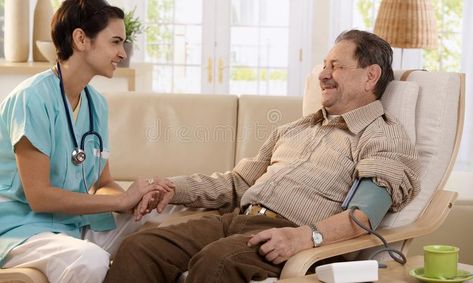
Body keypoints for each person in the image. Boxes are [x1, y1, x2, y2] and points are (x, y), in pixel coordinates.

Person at [105, 29, 421, 283]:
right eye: (324, 65)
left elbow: (362, 217)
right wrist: (174, 189)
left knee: (217, 263)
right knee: (141, 248)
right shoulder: (293, 129)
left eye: (336, 66)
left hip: (285, 235)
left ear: (370, 76)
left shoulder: (382, 135)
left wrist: (304, 237)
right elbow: (238, 183)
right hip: (236, 221)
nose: (323, 74)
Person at [0, 0, 173, 283]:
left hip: (72, 225)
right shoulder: (32, 99)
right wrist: (119, 203)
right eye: (115, 42)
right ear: (81, 39)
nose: (122, 53)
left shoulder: (97, 104)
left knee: (163, 221)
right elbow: (39, 197)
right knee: (90, 259)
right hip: (22, 229)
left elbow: (103, 183)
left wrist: (135, 201)